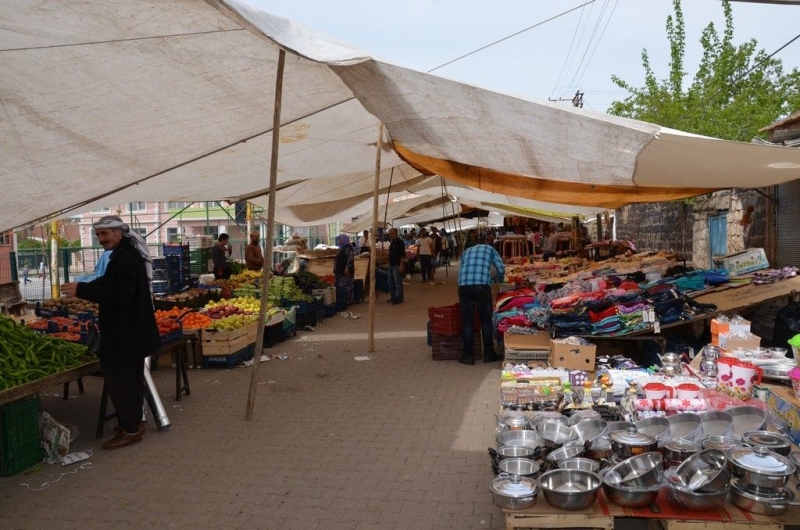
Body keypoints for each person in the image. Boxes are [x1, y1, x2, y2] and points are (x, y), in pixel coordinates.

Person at [60, 215, 160, 450]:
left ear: (118, 233)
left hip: (125, 335)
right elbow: (109, 282)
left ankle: (131, 430)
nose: (100, 239)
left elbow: (119, 296)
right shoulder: (123, 255)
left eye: (104, 234)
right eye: (98, 235)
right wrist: (84, 287)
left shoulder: (125, 258)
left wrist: (82, 289)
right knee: (132, 381)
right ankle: (133, 423)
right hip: (132, 332)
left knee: (120, 382)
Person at [457, 237, 505, 365]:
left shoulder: (466, 251)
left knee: (467, 321)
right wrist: (499, 280)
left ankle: (468, 356)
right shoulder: (489, 249)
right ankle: (488, 354)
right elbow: (500, 268)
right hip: (481, 287)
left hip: (463, 286)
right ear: (484, 243)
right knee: (486, 320)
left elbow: (461, 269)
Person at [334, 233, 355, 306]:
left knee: (347, 286)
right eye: (338, 239)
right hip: (340, 270)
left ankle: (347, 301)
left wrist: (347, 268)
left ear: (344, 239)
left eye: (340, 239)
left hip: (345, 271)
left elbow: (350, 258)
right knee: (342, 286)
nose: (339, 240)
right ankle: (343, 301)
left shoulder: (348, 247)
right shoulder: (342, 247)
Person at [386, 228, 405, 305]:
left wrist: (401, 265)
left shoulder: (400, 242)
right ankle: (393, 297)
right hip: (391, 265)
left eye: (392, 233)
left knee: (398, 282)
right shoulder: (392, 242)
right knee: (390, 282)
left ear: (396, 233)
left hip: (397, 265)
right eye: (389, 233)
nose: (390, 235)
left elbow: (402, 255)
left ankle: (399, 298)